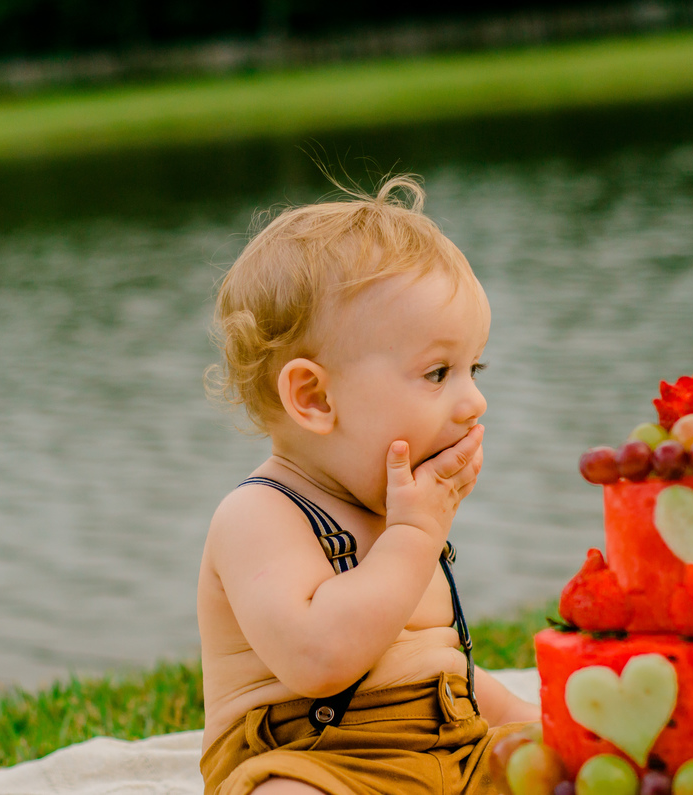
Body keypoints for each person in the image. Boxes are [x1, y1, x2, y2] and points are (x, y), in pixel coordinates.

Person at [198, 173, 540, 795]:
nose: (474, 402)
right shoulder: (260, 516)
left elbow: (445, 670)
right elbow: (318, 659)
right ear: (314, 397)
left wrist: (540, 730)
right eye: (438, 372)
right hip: (317, 761)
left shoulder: (396, 511)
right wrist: (415, 536)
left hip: (450, 753)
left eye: (474, 368)